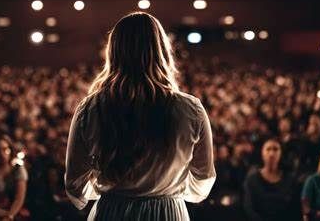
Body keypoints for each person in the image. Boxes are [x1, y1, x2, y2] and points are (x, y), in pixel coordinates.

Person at [64, 12, 216, 220]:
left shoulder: (91, 108)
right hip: (168, 213)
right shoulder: (190, 109)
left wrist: (106, 189)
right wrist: (171, 189)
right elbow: (204, 178)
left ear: (114, 52)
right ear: (161, 51)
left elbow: (75, 184)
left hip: (112, 212)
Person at [243, 137, 298, 221]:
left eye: (275, 149)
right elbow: (248, 209)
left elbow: (294, 209)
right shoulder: (252, 180)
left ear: (281, 153)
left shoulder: (290, 180)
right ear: (262, 153)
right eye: (268, 149)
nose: (271, 153)